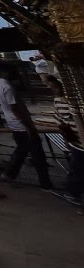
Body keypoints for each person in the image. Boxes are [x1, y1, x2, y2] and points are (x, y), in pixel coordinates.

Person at [0, 63, 53, 191]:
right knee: (38, 154)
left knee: (22, 150)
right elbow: (15, 107)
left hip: (13, 123)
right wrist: (28, 126)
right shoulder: (8, 87)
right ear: (7, 73)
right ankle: (45, 182)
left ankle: (9, 173)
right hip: (20, 124)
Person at [44, 77, 83, 211]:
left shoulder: (76, 99)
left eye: (55, 87)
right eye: (51, 87)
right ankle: (72, 193)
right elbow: (60, 121)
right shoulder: (58, 100)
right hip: (76, 143)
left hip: (80, 142)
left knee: (78, 169)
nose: (53, 90)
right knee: (77, 169)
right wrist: (67, 138)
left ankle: (73, 192)